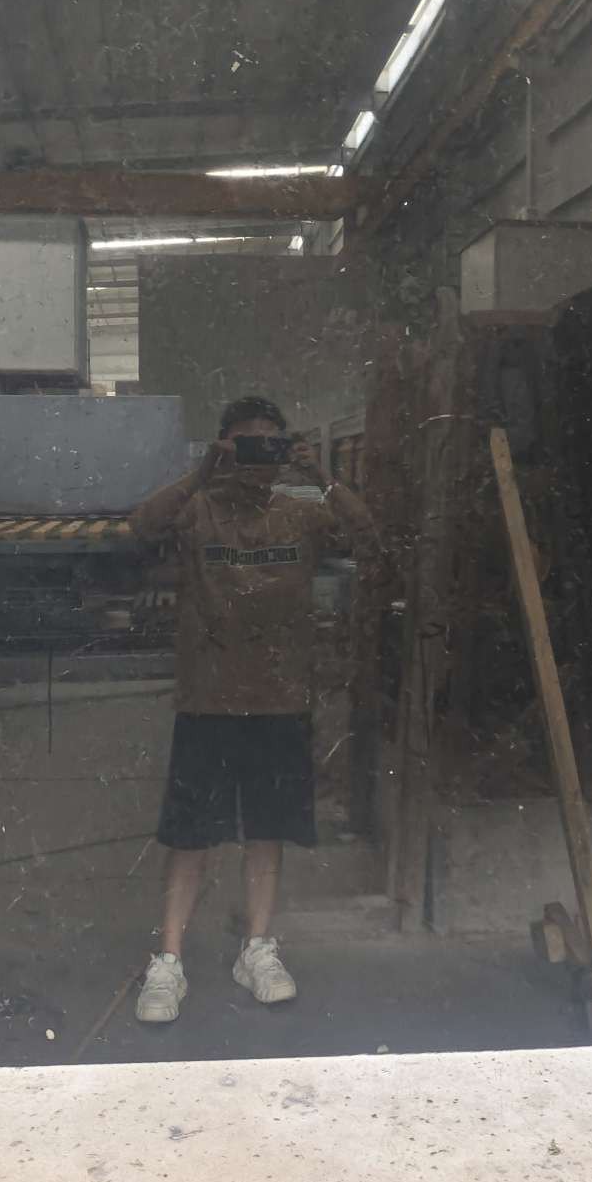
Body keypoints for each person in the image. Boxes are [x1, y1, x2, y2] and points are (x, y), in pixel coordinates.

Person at [127, 394, 376, 1023]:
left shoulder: (301, 514)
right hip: (208, 701)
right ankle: (169, 960)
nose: (259, 456)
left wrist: (318, 472)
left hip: (279, 699)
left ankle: (257, 950)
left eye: (270, 443)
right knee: (190, 836)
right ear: (225, 447)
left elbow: (367, 533)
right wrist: (204, 472)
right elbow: (142, 525)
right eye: (246, 443)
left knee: (266, 831)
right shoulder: (198, 511)